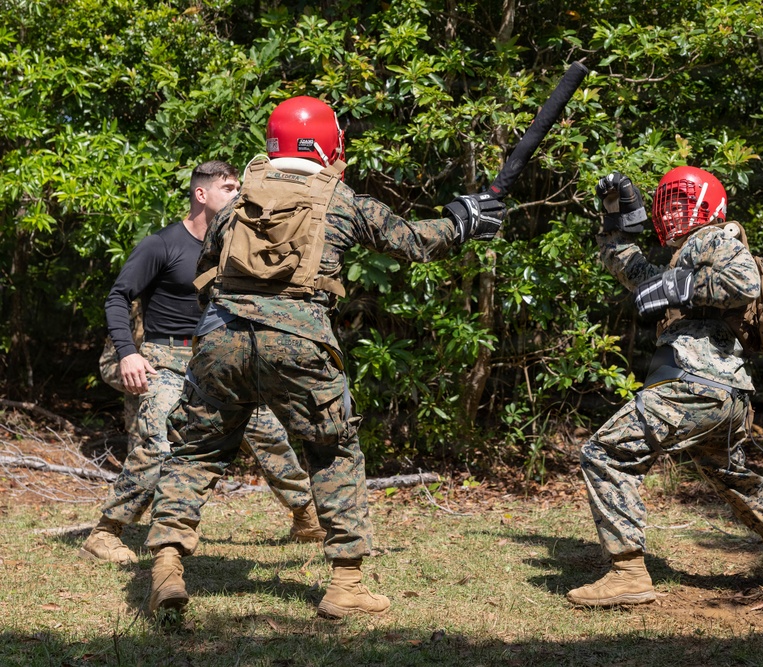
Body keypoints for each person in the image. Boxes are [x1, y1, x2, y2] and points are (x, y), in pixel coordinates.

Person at [142, 96, 506, 618]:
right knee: (332, 452)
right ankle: (346, 585)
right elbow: (411, 241)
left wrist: (223, 330)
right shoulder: (339, 197)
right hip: (298, 336)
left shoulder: (238, 198)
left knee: (195, 452)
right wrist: (464, 219)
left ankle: (167, 566)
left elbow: (206, 270)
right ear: (326, 143)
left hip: (219, 335)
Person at [566, 166, 763, 608]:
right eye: (666, 204)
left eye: (681, 204)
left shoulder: (714, 237)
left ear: (708, 206)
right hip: (724, 396)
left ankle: (628, 573)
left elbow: (743, 282)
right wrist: (614, 217)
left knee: (605, 452)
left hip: (694, 384)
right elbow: (628, 266)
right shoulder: (681, 257)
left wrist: (681, 284)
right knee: (736, 481)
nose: (672, 214)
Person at [80, 161, 325, 566]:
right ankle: (106, 533)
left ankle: (305, 517)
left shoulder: (236, 243)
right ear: (201, 194)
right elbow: (118, 297)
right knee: (158, 438)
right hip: (165, 358)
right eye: (228, 188)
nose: (237, 194)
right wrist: (128, 353)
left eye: (238, 187)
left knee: (268, 432)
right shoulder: (161, 244)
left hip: (218, 357)